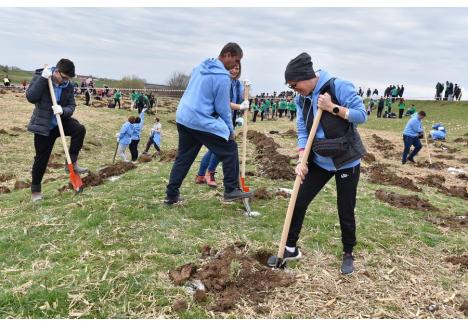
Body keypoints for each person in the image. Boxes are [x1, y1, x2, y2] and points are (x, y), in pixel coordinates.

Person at [267, 52, 367, 275]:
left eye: (295, 85)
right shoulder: (300, 98)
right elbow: (303, 129)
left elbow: (362, 115)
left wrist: (333, 107)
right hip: (319, 160)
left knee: (345, 208)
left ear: (306, 76)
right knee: (298, 200)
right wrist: (302, 157)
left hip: (345, 160)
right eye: (291, 87)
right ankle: (290, 248)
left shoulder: (339, 86)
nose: (294, 89)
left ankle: (348, 252)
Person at [164, 42, 252, 205]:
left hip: (183, 116)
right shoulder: (221, 77)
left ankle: (171, 195)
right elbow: (222, 106)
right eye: (236, 60)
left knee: (184, 157)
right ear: (227, 55)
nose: (236, 64)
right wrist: (229, 130)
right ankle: (231, 189)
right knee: (229, 147)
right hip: (199, 119)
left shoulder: (202, 66)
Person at [26, 59, 87, 202]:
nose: (65, 81)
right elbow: (31, 97)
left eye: (68, 78)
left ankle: (71, 162)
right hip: (44, 125)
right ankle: (36, 191)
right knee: (41, 159)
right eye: (64, 77)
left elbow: (71, 106)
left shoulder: (68, 86)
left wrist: (63, 110)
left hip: (60, 121)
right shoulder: (42, 77)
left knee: (79, 129)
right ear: (56, 71)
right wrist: (42, 79)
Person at [195, 62, 245, 188]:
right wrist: (239, 106)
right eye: (233, 67)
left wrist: (246, 89)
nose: (234, 70)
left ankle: (200, 175)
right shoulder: (224, 81)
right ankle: (209, 173)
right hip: (218, 119)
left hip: (229, 119)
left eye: (237, 68)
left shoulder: (237, 84)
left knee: (213, 149)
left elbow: (242, 97)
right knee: (221, 148)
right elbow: (225, 103)